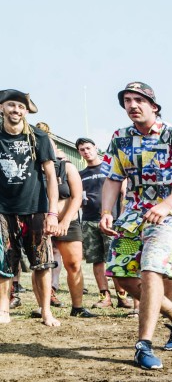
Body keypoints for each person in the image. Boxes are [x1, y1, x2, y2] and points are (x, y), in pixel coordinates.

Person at [99, 82, 172, 368]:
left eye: (138, 100)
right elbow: (112, 177)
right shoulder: (120, 138)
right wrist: (107, 211)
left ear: (153, 106)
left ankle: (143, 344)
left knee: (151, 269)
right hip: (133, 215)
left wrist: (168, 204)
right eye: (127, 101)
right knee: (121, 276)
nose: (132, 105)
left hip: (167, 215)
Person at [0, 90, 59, 325]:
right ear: (1, 108)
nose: (16, 110)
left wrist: (53, 213)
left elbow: (51, 177)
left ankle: (46, 311)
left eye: (21, 107)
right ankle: (3, 310)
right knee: (4, 262)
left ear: (26, 111)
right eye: (11, 105)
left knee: (42, 262)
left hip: (35, 208)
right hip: (3, 209)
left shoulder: (38, 137)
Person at [36, 128, 94, 318]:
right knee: (41, 266)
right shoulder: (32, 167)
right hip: (40, 221)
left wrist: (65, 222)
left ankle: (77, 307)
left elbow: (77, 197)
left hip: (67, 221)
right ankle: (42, 307)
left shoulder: (67, 166)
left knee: (74, 264)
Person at [75, 138, 116, 309]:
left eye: (88, 148)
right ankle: (104, 295)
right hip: (89, 220)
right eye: (82, 150)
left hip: (111, 220)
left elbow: (121, 193)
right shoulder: (80, 174)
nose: (86, 152)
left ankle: (122, 295)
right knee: (97, 260)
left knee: (115, 260)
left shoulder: (110, 169)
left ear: (96, 148)